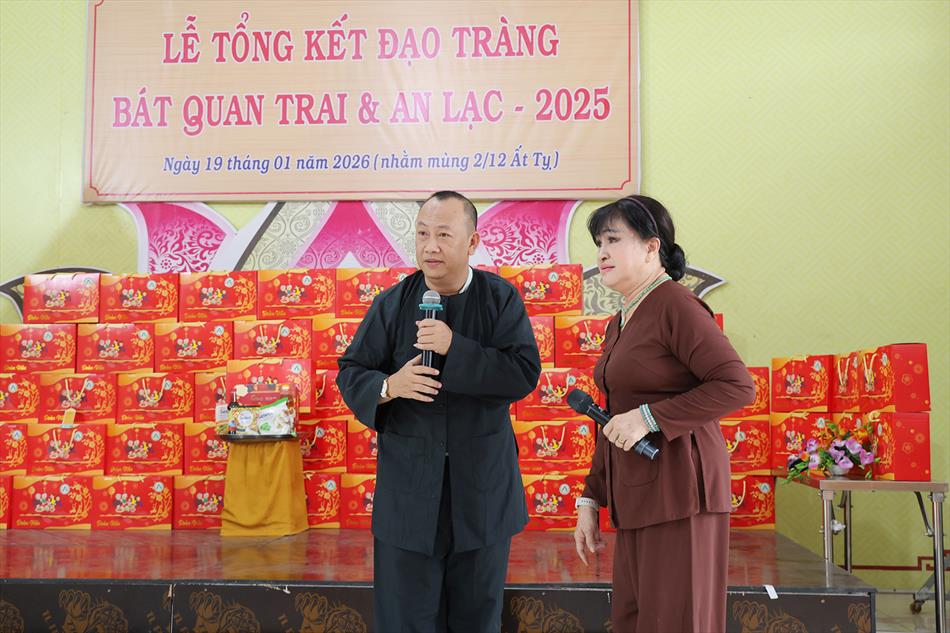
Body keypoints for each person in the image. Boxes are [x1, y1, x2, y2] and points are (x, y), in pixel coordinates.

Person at [337, 190, 541, 632]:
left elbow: (523, 374)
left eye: (444, 235)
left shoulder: (501, 299)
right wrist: (389, 386)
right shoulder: (392, 303)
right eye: (422, 234)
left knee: (477, 619)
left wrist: (455, 347)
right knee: (404, 620)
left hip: (482, 493)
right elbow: (351, 371)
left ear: (472, 242)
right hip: (409, 496)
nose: (430, 246)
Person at [572, 195, 755, 632]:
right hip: (637, 493)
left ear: (651, 247)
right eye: (599, 243)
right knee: (636, 621)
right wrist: (590, 497)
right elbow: (613, 415)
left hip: (680, 492)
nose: (601, 253)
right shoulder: (620, 320)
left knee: (676, 621)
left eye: (613, 239)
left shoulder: (676, 305)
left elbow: (736, 385)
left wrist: (649, 418)